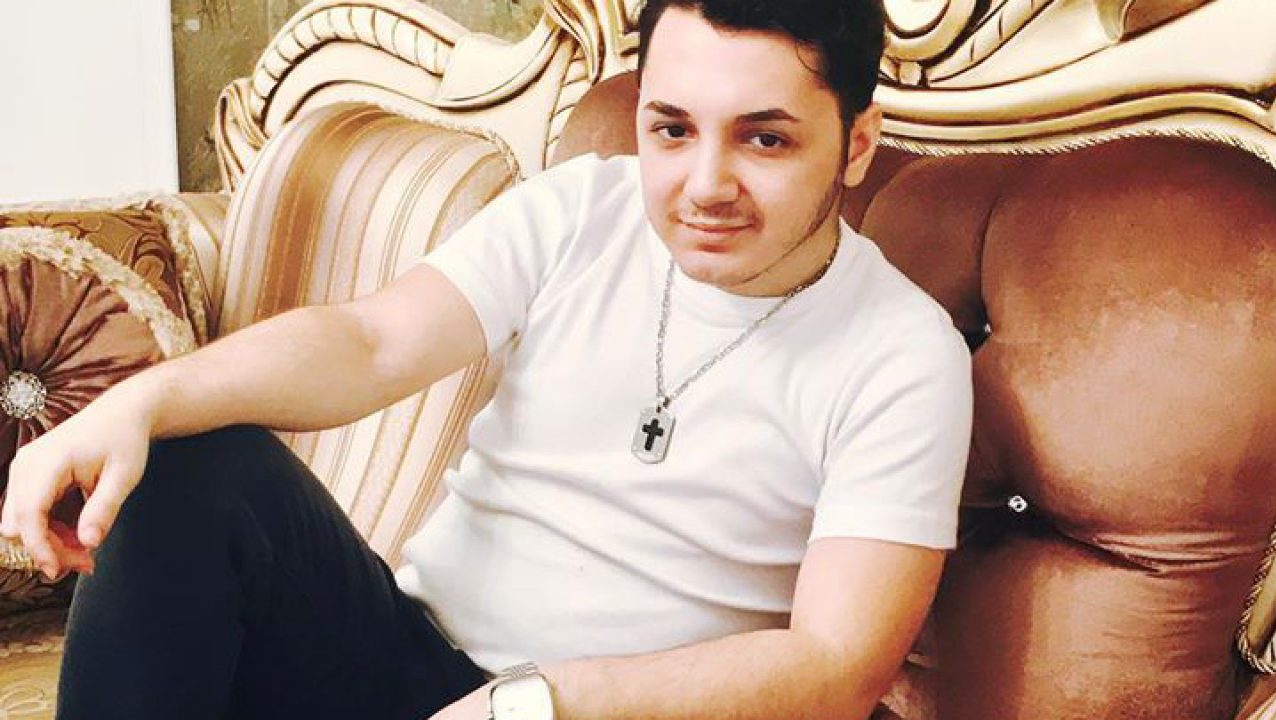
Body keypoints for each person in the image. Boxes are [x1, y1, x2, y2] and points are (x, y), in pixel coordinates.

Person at [1, 0, 972, 718]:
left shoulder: (900, 355)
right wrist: (136, 404)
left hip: (605, 714)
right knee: (185, 456)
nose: (704, 184)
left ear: (856, 145)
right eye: (672, 129)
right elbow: (371, 342)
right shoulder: (584, 209)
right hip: (409, 659)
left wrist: (541, 704)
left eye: (763, 139)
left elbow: (836, 666)